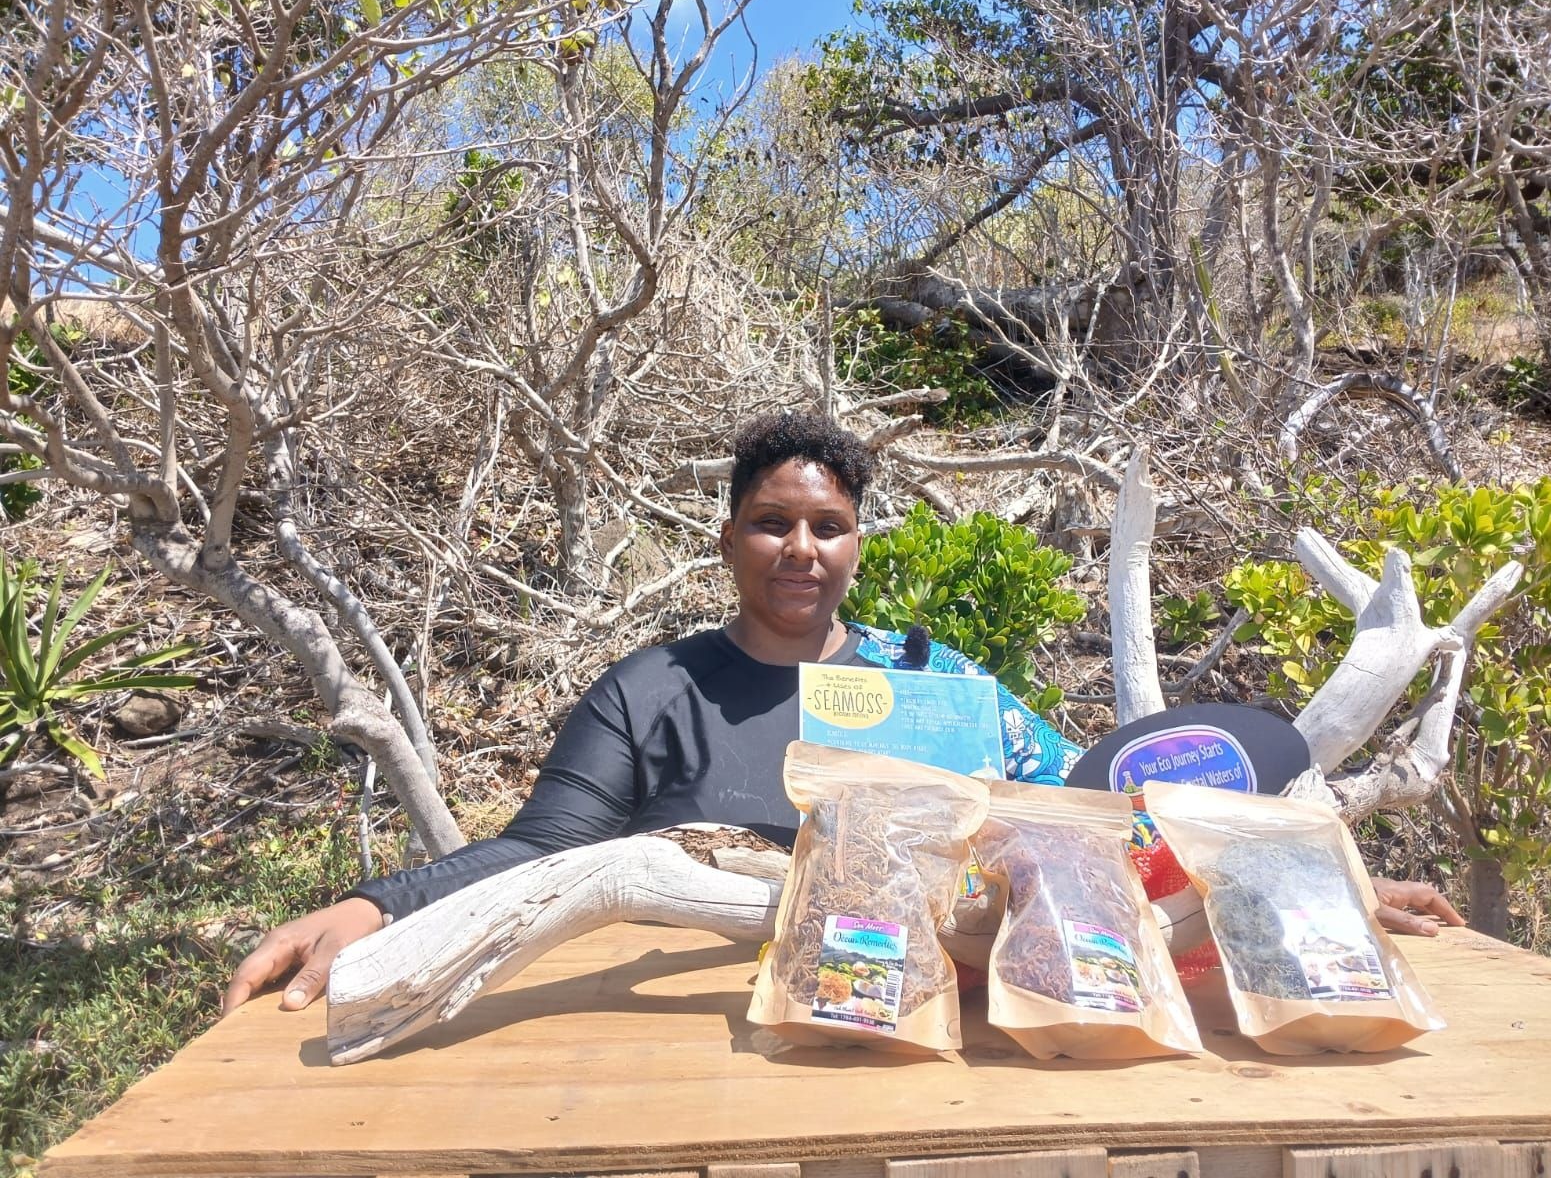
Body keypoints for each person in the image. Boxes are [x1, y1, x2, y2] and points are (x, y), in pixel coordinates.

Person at [223, 413, 1460, 1016]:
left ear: (859, 544)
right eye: (771, 522)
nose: (799, 548)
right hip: (696, 1034)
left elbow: (1095, 815)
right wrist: (373, 905)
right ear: (728, 540)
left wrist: (1306, 886)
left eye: (827, 525)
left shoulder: (942, 681)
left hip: (942, 1023)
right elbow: (546, 854)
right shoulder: (652, 692)